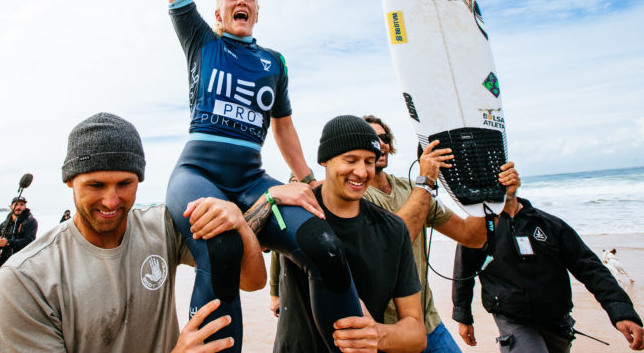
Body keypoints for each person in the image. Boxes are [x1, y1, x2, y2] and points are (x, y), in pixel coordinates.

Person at [140, 0, 362, 351]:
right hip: (197, 173)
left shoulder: (274, 62)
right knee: (219, 246)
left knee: (326, 246)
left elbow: (283, 128)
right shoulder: (201, 41)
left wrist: (305, 181)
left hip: (251, 180)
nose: (241, 1)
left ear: (257, 14)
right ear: (218, 14)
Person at [0, 113, 266, 353]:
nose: (111, 201)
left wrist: (239, 223)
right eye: (96, 185)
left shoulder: (163, 228)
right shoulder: (26, 278)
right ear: (70, 181)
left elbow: (250, 281)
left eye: (124, 183)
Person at [265, 115, 426, 352]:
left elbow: (416, 333)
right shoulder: (295, 213)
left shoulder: (393, 230)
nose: (361, 172)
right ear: (325, 161)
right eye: (350, 160)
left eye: (369, 161)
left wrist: (378, 334)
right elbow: (245, 266)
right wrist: (266, 198)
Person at [360, 115, 520, 353]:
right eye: (370, 138)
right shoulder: (358, 196)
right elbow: (393, 244)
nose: (379, 143)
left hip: (429, 324)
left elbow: (472, 236)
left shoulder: (409, 189)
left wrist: (496, 196)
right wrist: (425, 183)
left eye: (383, 138)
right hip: (386, 332)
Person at [452, 192, 644, 352]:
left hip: (557, 320)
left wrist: (621, 312)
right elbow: (463, 272)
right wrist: (463, 317)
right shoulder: (478, 230)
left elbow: (590, 268)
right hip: (512, 319)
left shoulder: (551, 225)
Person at [0, 194, 38, 279]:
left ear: (25, 206)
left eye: (21, 205)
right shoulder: (4, 225)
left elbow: (30, 241)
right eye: (16, 204)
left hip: (23, 261)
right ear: (11, 207)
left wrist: (8, 242)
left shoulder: (31, 222)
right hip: (5, 262)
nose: (19, 207)